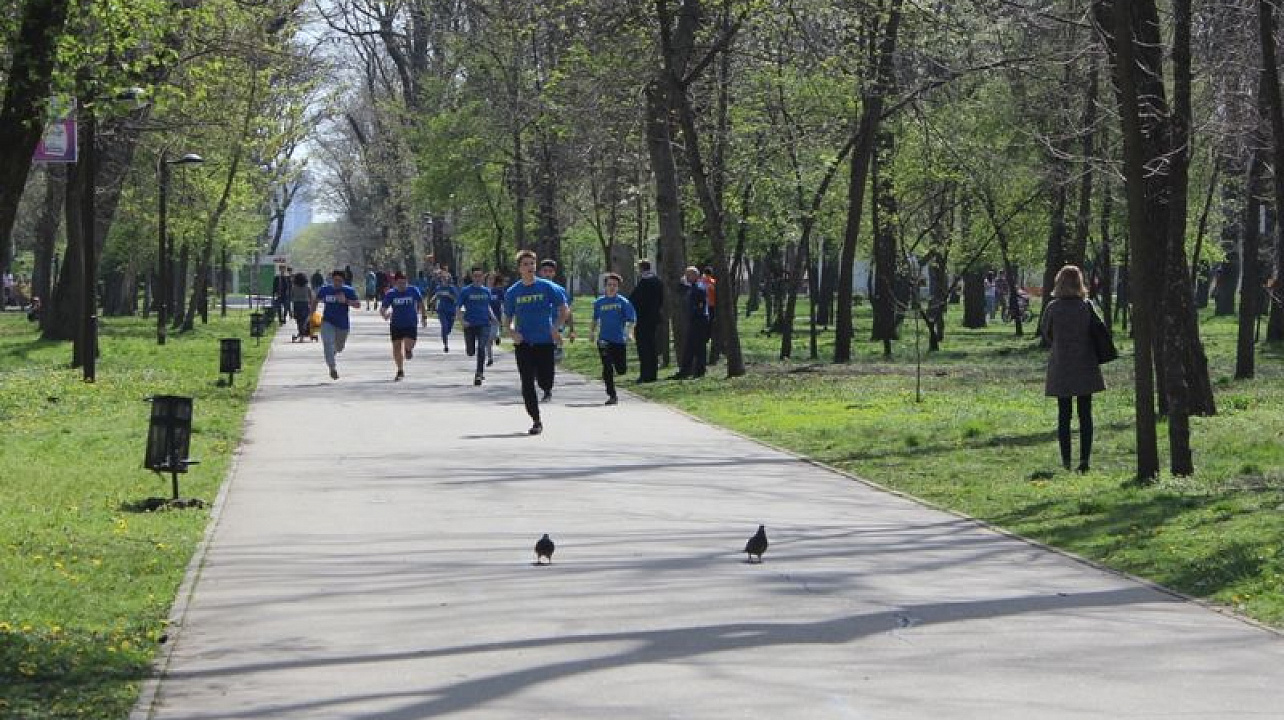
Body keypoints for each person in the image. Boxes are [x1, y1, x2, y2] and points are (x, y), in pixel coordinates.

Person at [1039, 265, 1106, 472]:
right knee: (1085, 414)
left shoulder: (1053, 308)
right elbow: (1099, 330)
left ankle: (1066, 461)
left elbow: (1046, 334)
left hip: (1062, 365)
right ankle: (1084, 460)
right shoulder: (1086, 306)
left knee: (1064, 415)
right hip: (1085, 364)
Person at [505, 250, 569, 435]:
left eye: (532, 263)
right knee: (526, 382)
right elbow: (507, 318)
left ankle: (546, 387)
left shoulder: (547, 287)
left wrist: (556, 328)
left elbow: (564, 310)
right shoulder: (513, 292)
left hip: (545, 341)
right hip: (524, 343)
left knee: (545, 380)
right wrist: (512, 332)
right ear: (519, 268)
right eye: (525, 264)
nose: (530, 267)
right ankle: (536, 420)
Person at [591, 273, 637, 405]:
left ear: (618, 287)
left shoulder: (623, 302)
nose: (612, 287)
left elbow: (632, 320)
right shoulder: (599, 302)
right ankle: (612, 395)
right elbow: (595, 319)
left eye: (614, 285)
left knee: (621, 369)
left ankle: (619, 370)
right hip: (604, 339)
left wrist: (629, 333)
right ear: (605, 286)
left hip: (619, 339)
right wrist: (592, 332)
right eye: (609, 285)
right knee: (607, 367)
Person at [311, 270, 361, 380]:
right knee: (327, 343)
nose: (337, 283)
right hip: (327, 321)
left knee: (339, 348)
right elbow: (316, 300)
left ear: (343, 281)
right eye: (335, 280)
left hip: (342, 324)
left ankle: (333, 352)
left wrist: (346, 301)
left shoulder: (348, 291)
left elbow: (358, 305)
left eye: (340, 281)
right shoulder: (325, 290)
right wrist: (312, 314)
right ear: (332, 280)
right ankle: (332, 368)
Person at [380, 271, 427, 381]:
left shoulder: (413, 290)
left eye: (404, 283)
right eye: (400, 283)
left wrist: (424, 317)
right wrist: (385, 315)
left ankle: (408, 349)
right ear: (395, 283)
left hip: (410, 323)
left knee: (409, 344)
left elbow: (421, 303)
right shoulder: (391, 293)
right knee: (396, 347)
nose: (403, 286)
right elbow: (383, 308)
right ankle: (400, 370)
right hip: (396, 324)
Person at [457, 267, 497, 385]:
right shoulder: (465, 291)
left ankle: (479, 373)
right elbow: (458, 308)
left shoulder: (487, 291)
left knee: (481, 348)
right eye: (475, 276)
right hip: (470, 324)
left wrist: (493, 317)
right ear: (472, 277)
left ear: (482, 277)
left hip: (484, 324)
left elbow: (487, 306)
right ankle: (470, 351)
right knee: (470, 351)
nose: (478, 278)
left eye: (480, 276)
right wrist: (462, 321)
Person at [630, 260, 664, 383]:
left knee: (643, 347)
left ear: (641, 269)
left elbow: (634, 300)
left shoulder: (644, 283)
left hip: (643, 319)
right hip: (654, 318)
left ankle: (645, 374)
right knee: (652, 345)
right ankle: (653, 374)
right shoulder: (658, 282)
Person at [672, 266, 709, 379]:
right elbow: (679, 289)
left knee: (698, 347)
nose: (686, 277)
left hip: (699, 320)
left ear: (695, 275)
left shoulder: (700, 287)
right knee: (692, 347)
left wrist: (694, 312)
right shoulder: (691, 287)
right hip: (693, 320)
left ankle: (697, 371)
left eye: (689, 275)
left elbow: (701, 305)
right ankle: (688, 371)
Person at [538, 259, 574, 361]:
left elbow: (568, 311)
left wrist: (572, 330)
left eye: (550, 271)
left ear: (554, 273)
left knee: (551, 358)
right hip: (540, 326)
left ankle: (557, 351)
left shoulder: (560, 290)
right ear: (540, 272)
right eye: (545, 271)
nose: (548, 274)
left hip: (556, 325)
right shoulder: (534, 289)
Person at [433, 273, 458, 352]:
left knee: (448, 329)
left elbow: (456, 299)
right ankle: (446, 345)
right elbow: (436, 296)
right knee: (444, 326)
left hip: (451, 311)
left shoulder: (452, 288)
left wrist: (449, 295)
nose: (444, 279)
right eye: (442, 278)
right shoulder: (438, 287)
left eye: (445, 277)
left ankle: (445, 335)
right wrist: (432, 301)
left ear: (448, 279)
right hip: (442, 310)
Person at [701, 266, 720, 364]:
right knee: (711, 323)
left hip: (704, 306)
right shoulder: (714, 282)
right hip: (712, 306)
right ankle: (708, 335)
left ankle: (705, 336)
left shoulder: (701, 282)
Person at [487, 273, 507, 366]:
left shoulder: (499, 291)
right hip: (486, 318)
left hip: (497, 317)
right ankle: (490, 358)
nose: (490, 281)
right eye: (489, 279)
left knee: (493, 335)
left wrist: (505, 314)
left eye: (492, 279)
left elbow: (504, 302)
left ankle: (497, 337)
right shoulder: (484, 291)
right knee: (488, 340)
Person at [289, 272, 314, 342]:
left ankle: (301, 334)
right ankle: (302, 334)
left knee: (299, 321)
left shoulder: (294, 287)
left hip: (296, 305)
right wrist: (312, 306)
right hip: (305, 305)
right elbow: (311, 297)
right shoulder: (307, 287)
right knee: (304, 320)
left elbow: (291, 297)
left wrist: (290, 310)